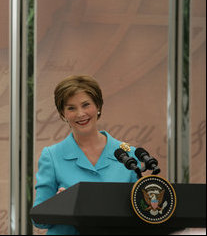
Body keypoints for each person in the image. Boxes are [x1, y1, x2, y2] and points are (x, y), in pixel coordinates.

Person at [32, 75, 139, 235]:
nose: (80, 114)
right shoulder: (51, 156)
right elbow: (39, 220)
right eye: (71, 108)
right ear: (63, 114)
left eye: (85, 105)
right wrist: (60, 204)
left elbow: (140, 213)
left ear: (98, 106)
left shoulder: (129, 154)